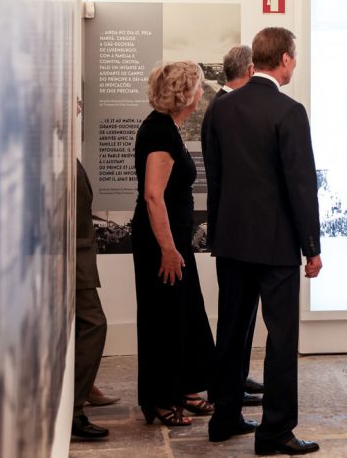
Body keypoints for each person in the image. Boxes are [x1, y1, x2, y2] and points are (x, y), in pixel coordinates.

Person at [205, 27, 322, 455]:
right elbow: (301, 186)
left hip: (232, 240)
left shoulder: (221, 108)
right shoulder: (289, 111)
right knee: (281, 338)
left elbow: (215, 179)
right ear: (286, 59)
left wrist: (219, 233)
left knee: (231, 330)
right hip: (276, 245)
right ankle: (274, 432)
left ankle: (224, 418)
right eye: (295, 56)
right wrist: (312, 247)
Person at [131, 61, 215, 427]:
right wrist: (167, 249)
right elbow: (153, 196)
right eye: (197, 87)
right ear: (185, 95)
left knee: (185, 312)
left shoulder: (167, 128)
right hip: (161, 243)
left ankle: (184, 388)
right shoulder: (159, 133)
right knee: (163, 317)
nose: (201, 93)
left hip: (173, 239)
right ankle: (160, 398)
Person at [200, 44, 266, 405]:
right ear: (251, 70)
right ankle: (227, 387)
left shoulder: (223, 106)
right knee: (234, 314)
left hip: (235, 226)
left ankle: (237, 377)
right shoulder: (225, 108)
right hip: (235, 228)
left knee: (242, 312)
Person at [71, 159, 110, 442]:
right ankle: (73, 408)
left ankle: (78, 398)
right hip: (70, 254)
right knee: (94, 324)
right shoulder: (50, 152)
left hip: (77, 251)